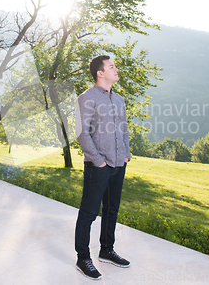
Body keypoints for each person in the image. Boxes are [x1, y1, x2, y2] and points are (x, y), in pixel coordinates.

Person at [74, 55, 131, 280]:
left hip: (119, 164)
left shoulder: (119, 100)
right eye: (112, 66)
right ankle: (82, 258)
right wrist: (98, 160)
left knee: (111, 210)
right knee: (89, 213)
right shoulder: (86, 98)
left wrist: (125, 155)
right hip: (98, 166)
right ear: (100, 72)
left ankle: (106, 250)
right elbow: (81, 132)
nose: (116, 69)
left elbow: (124, 130)